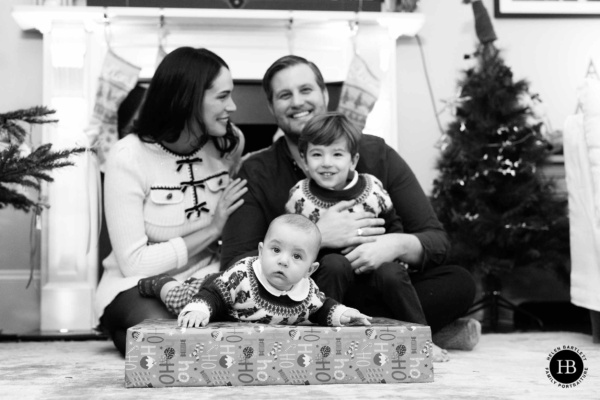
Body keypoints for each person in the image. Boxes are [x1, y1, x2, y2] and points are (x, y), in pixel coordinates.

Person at [220, 55, 480, 356]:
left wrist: (393, 245)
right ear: (271, 107)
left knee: (459, 283)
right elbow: (234, 264)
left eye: (306, 90)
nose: (297, 102)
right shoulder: (257, 170)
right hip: (311, 293)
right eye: (284, 95)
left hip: (381, 281)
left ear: (324, 95)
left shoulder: (376, 153)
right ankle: (414, 332)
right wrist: (316, 235)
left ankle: (383, 332)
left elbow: (437, 240)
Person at [94, 47, 247, 356]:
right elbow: (133, 262)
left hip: (207, 276)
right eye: (222, 96)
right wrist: (213, 228)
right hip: (137, 281)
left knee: (221, 329)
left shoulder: (228, 143)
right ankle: (128, 329)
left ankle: (129, 337)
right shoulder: (128, 156)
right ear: (189, 98)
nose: (232, 105)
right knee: (169, 337)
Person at [284, 111, 427, 326]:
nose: (326, 163)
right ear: (304, 161)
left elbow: (393, 225)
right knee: (334, 264)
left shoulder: (372, 190)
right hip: (329, 278)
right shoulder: (299, 197)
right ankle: (324, 336)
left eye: (337, 154)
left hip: (373, 273)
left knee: (392, 272)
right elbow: (291, 241)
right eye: (317, 154)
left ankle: (421, 336)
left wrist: (388, 250)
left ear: (353, 161)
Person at [178, 214, 372, 328]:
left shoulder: (307, 292)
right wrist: (199, 310)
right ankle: (155, 283)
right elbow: (214, 295)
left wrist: (344, 314)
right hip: (207, 290)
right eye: (276, 250)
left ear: (309, 270)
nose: (283, 261)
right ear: (261, 252)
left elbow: (322, 309)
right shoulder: (241, 275)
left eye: (297, 256)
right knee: (176, 295)